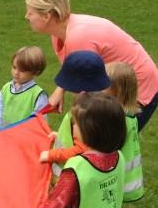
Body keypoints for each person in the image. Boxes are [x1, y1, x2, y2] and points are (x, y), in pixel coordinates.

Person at [24, 0, 158, 131]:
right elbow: (76, 67)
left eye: (30, 13)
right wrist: (60, 90)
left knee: (107, 145)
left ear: (46, 16)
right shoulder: (59, 33)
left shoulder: (78, 37)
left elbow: (88, 93)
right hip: (114, 87)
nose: (26, 17)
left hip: (135, 91)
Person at [38, 51, 111, 180]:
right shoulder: (100, 108)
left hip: (71, 176)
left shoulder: (84, 114)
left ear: (81, 91)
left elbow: (80, 150)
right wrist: (60, 137)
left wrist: (51, 155)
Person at [104, 62, 144, 202]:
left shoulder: (117, 120)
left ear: (117, 90)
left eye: (104, 83)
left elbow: (105, 149)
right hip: (125, 176)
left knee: (113, 207)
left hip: (117, 177)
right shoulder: (129, 115)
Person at [0, 46, 49, 130]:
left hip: (24, 139)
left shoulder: (38, 95)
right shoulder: (6, 88)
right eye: (14, 67)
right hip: (4, 135)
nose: (16, 73)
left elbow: (41, 122)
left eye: (22, 70)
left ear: (35, 72)